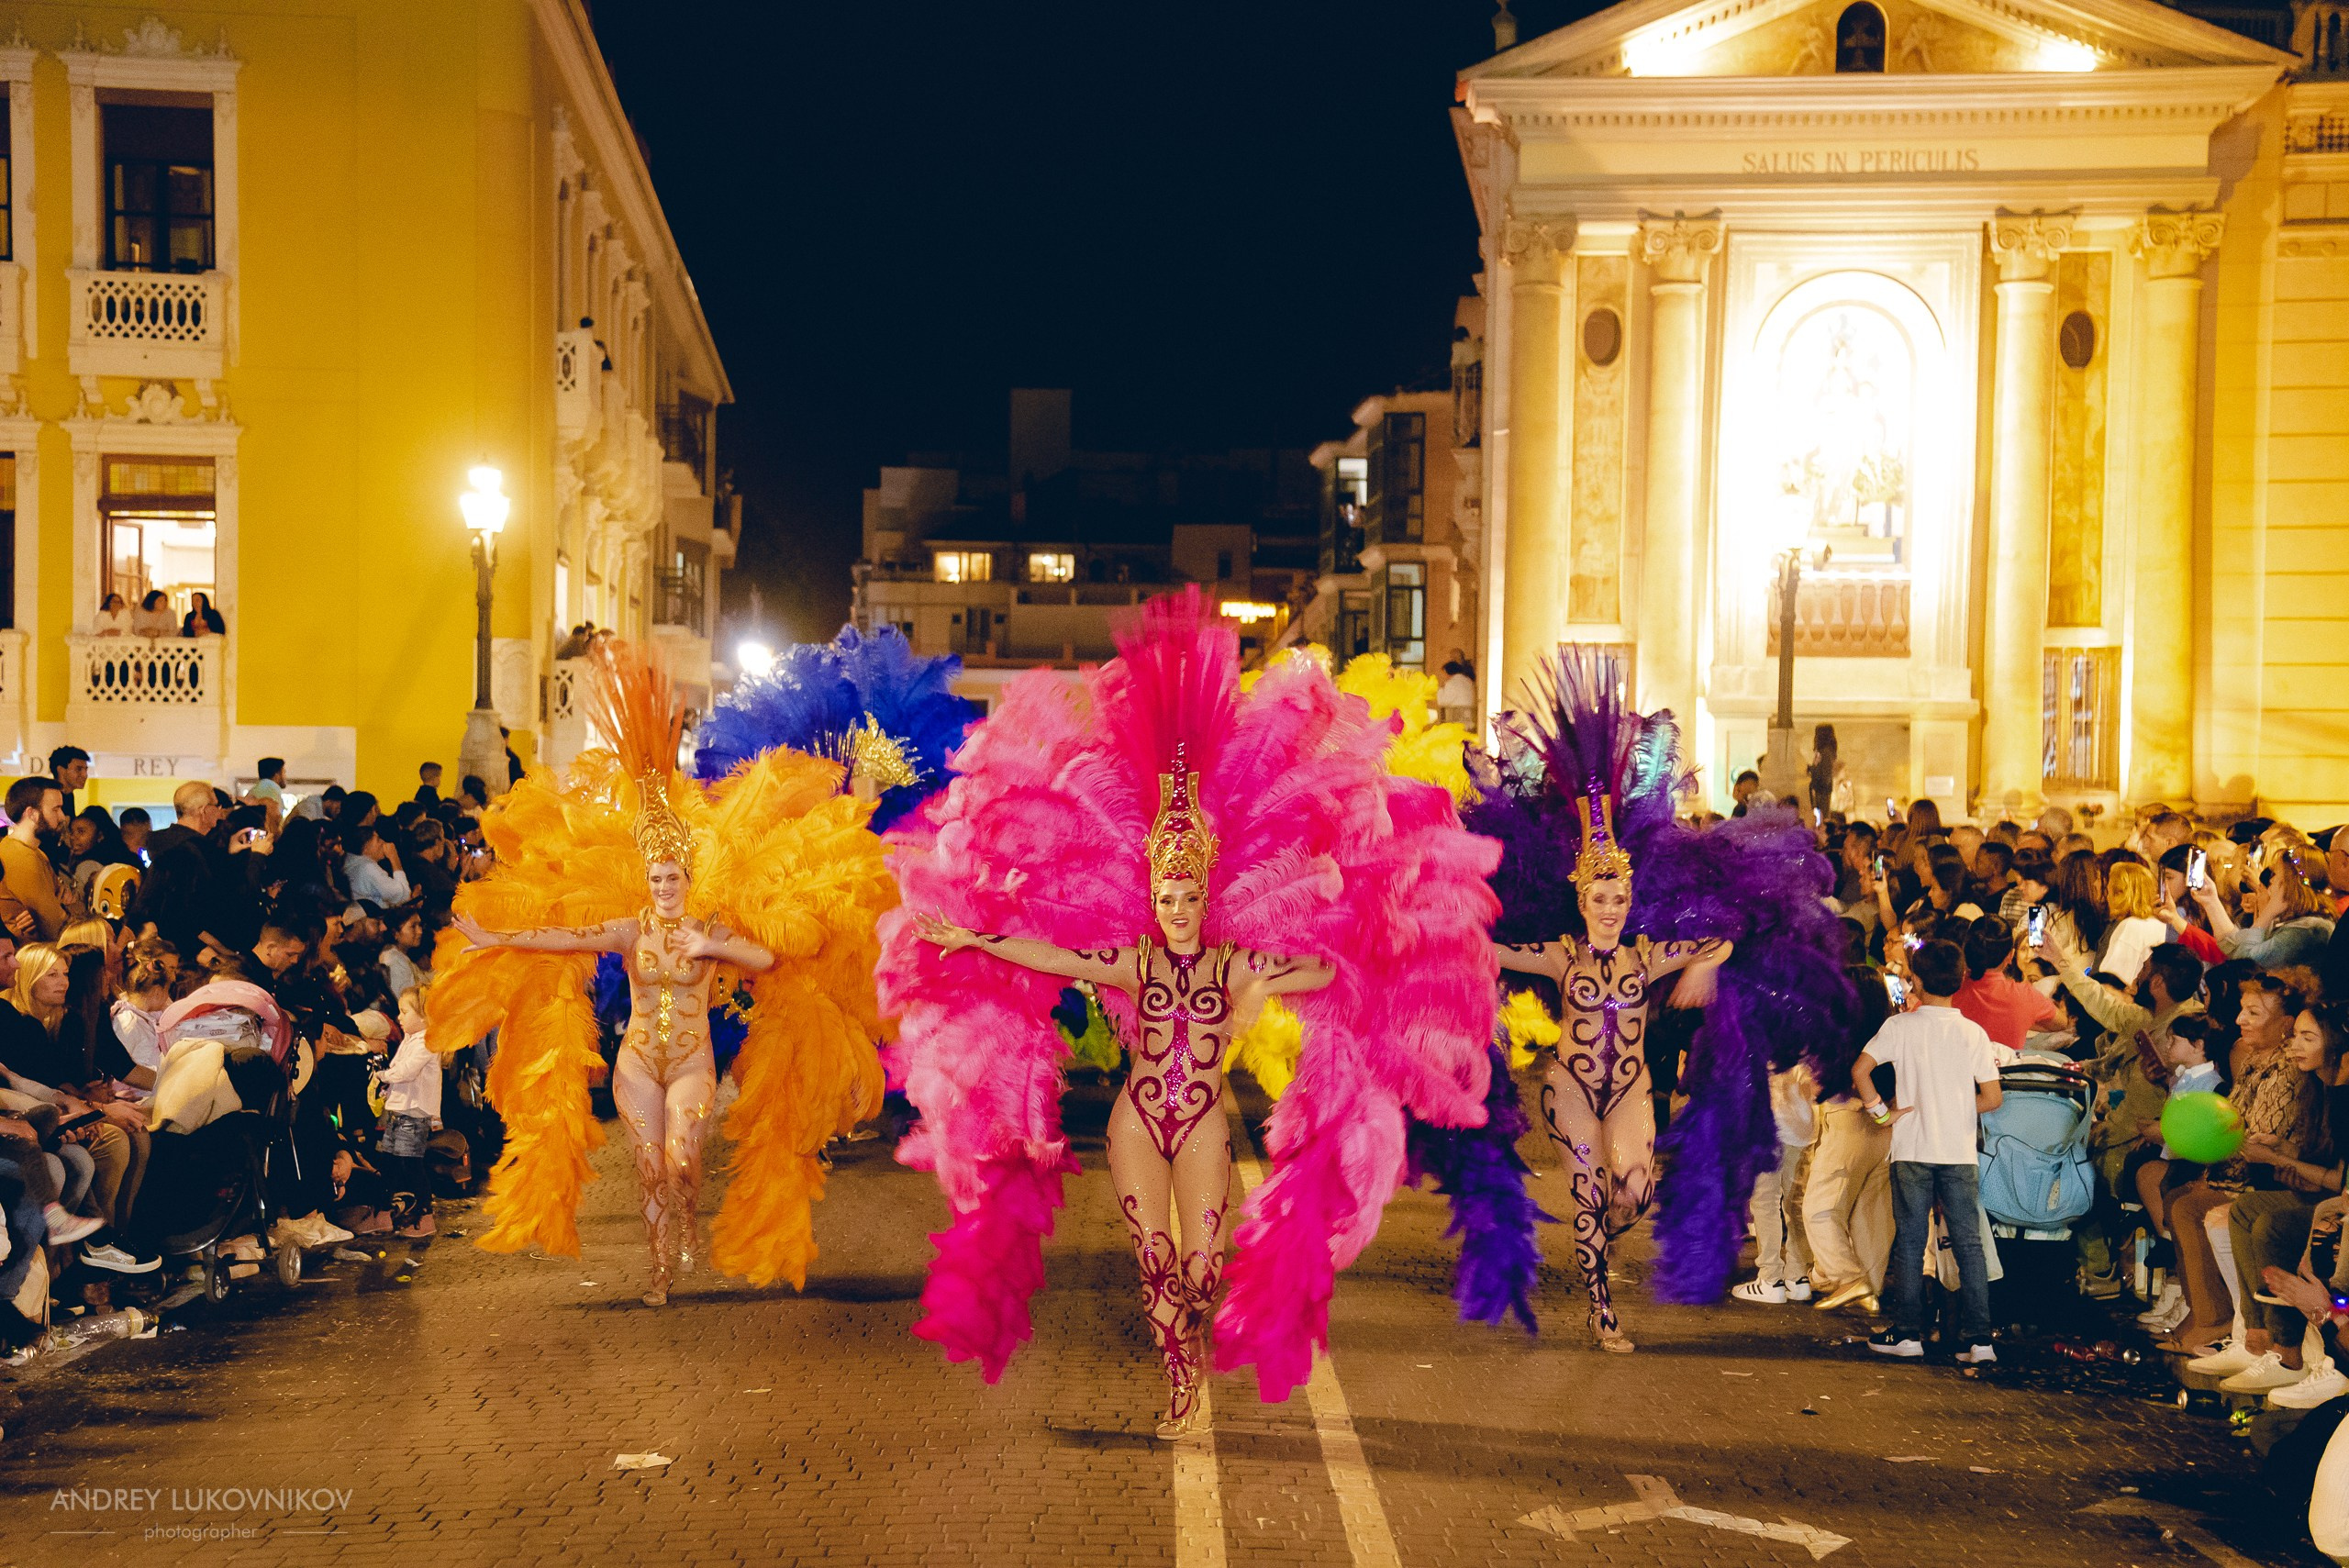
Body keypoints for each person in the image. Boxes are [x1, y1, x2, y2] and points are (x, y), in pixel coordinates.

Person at [440, 639, 891, 1310]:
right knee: (649, 1169)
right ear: (647, 881)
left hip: (690, 1063)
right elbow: (562, 937)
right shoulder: (630, 928)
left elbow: (769, 959)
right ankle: (659, 1269)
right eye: (656, 878)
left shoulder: (708, 932)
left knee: (681, 1160)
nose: (665, 886)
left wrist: (722, 946)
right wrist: (491, 934)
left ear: (687, 879)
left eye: (674, 877)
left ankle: (685, 1211)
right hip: (636, 1061)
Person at [920, 756, 1333, 1428]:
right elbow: (1055, 955)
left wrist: (1258, 989)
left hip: (1199, 1124)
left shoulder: (1233, 966)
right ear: (1152, 899)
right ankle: (1176, 1369)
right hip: (1137, 1122)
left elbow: (1316, 971)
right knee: (1154, 1253)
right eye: (1164, 898)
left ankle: (1189, 1327)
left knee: (1202, 1271)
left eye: (1187, 896)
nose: (1175, 910)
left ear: (1205, 896)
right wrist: (973, 938)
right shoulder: (1134, 962)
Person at [1854, 937, 2003, 1363]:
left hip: (1913, 1147)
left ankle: (1908, 1332)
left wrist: (1881, 1114)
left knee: (1911, 1240)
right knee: (1968, 1243)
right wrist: (1956, 1106)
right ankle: (1980, 1341)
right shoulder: (1973, 1032)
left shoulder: (1900, 1027)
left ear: (1915, 980)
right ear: (1959, 980)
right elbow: (1993, 1098)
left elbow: (1861, 1070)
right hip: (1958, 1151)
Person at [2219, 1002, 2348, 1399]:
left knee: (2271, 1225)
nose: (2295, 1046)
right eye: (2296, 1036)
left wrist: (2275, 1158)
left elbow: (2338, 1180)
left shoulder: (2341, 1094)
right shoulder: (2316, 1087)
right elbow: (2324, 1159)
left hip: (2334, 1200)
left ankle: (2289, 1353)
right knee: (2243, 1211)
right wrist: (2285, 1148)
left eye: (2309, 1038)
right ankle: (2257, 1334)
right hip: (2327, 1194)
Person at [1805, 965, 1898, 1313]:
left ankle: (1848, 1279)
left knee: (1820, 1208)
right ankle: (1869, 1291)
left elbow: (1818, 1087)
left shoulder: (1840, 1036)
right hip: (1888, 1131)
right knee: (1872, 1214)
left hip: (1850, 1126)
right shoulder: (1893, 1031)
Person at [1733, 1062, 1819, 1304]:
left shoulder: (1768, 1035)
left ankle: (1770, 1280)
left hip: (1771, 1130)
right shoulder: (1810, 1034)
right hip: (1802, 1131)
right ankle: (1797, 1276)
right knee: (1795, 1205)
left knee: (1765, 1203)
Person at [0, 777, 68, 942]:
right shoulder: (20, 856)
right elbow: (55, 926)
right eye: (55, 809)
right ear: (32, 814)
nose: (62, 817)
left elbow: (65, 902)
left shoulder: (33, 852)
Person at [2101, 860, 2168, 986]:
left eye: (2109, 891)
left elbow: (2112, 981)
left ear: (2121, 894)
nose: (2107, 897)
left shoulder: (2131, 927)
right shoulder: (2161, 924)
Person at [343, 819, 413, 907]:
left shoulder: (352, 864)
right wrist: (394, 857)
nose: (383, 842)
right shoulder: (368, 868)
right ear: (366, 847)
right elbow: (404, 896)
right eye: (378, 839)